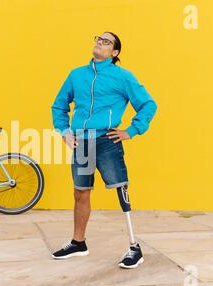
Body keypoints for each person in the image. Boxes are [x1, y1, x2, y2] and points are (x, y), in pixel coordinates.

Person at [50, 31, 157, 268]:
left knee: (120, 190)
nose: (99, 42)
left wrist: (131, 130)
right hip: (82, 142)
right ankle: (79, 243)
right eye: (98, 38)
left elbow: (148, 104)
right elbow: (59, 106)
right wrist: (65, 131)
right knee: (81, 192)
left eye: (106, 41)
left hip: (108, 141)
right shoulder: (76, 75)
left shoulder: (123, 77)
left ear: (115, 52)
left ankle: (134, 247)